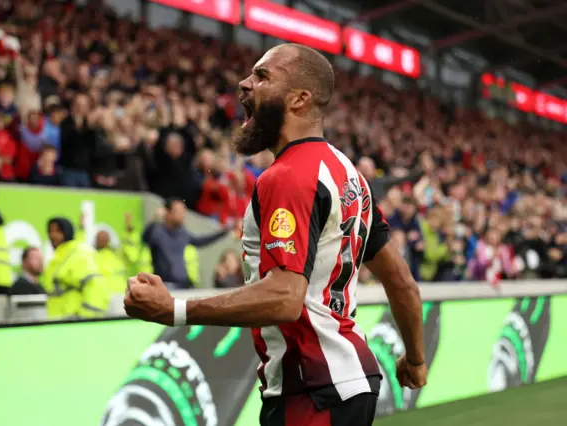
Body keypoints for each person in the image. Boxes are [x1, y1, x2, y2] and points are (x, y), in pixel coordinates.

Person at [124, 44, 426, 426]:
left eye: (263, 76)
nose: (244, 83)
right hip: (349, 381)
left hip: (313, 388)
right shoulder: (348, 175)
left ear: (300, 99)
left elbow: (285, 297)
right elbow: (402, 284)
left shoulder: (287, 177)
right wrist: (414, 359)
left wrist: (175, 310)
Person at [141, 198, 227, 289]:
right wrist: (154, 219)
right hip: (164, 285)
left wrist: (224, 231)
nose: (183, 215)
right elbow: (144, 238)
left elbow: (200, 241)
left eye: (183, 211)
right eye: (179, 211)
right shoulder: (157, 230)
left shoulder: (182, 233)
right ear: (168, 212)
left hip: (183, 285)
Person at [41, 217, 110, 318]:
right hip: (58, 326)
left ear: (66, 231)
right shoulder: (58, 258)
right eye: (50, 231)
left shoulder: (77, 254)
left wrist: (85, 320)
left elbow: (97, 286)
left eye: (57, 231)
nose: (52, 235)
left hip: (73, 327)